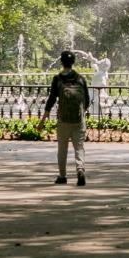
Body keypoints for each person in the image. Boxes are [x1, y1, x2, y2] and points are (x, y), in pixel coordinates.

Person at [41, 51, 91, 186]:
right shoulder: (81, 78)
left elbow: (51, 100)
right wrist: (81, 113)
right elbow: (87, 100)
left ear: (61, 62)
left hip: (63, 120)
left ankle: (62, 176)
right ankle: (80, 169)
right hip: (79, 121)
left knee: (62, 148)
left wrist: (43, 120)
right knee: (79, 147)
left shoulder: (57, 79)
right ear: (73, 62)